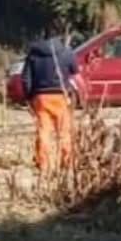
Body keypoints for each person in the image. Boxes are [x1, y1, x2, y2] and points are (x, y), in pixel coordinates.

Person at [21, 29, 79, 171]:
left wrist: (29, 96)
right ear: (58, 37)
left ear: (42, 37)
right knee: (64, 131)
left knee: (43, 131)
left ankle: (44, 164)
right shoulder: (66, 52)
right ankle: (68, 162)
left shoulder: (33, 54)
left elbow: (25, 79)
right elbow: (75, 70)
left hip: (41, 97)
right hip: (61, 96)